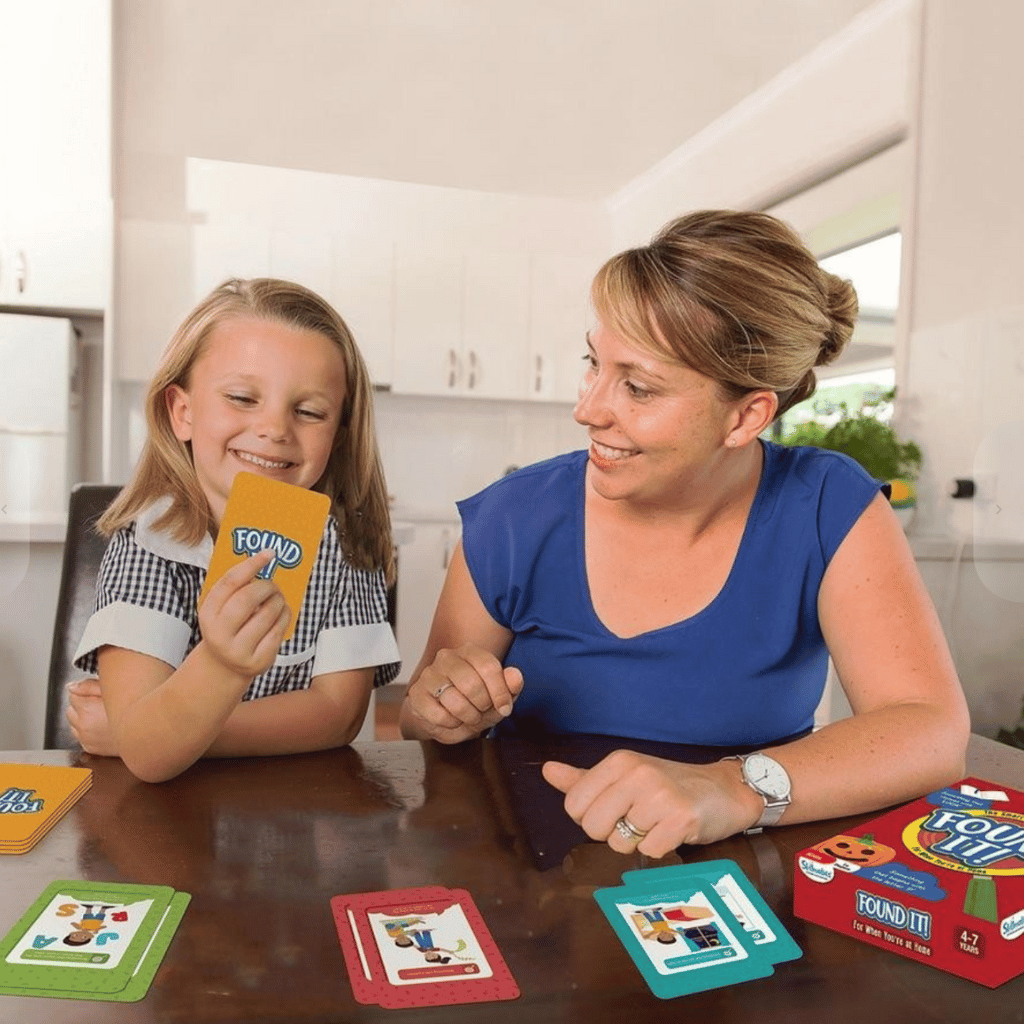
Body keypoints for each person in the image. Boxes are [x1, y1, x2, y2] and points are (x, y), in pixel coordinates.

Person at [399, 210, 970, 857]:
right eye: (594, 363)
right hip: (534, 870)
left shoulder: (826, 504)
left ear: (746, 416)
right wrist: (442, 707)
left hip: (741, 867)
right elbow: (420, 718)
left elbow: (929, 729)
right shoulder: (514, 515)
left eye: (638, 387)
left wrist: (733, 789)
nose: (587, 409)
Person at [68, 278, 400, 783]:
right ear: (182, 412)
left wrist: (156, 733)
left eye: (309, 411)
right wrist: (221, 665)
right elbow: (150, 756)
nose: (275, 429)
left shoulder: (346, 549)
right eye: (243, 398)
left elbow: (339, 715)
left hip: (299, 809)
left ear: (338, 434)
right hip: (171, 819)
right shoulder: (146, 547)